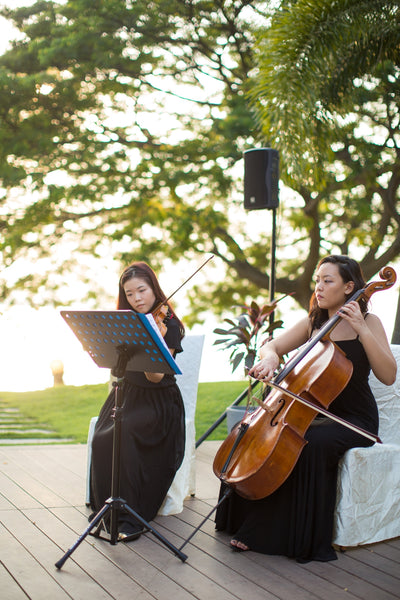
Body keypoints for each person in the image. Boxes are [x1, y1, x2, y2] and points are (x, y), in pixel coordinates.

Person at [215, 255, 397, 562]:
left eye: (328, 281)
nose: (320, 287)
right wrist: (271, 358)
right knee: (253, 438)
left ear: (349, 287)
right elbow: (271, 346)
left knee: (308, 446)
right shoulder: (314, 321)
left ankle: (273, 534)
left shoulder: (369, 323)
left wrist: (362, 331)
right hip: (313, 413)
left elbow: (388, 375)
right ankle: (238, 519)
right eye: (317, 280)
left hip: (354, 420)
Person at [90, 261, 186, 541]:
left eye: (142, 291)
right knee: (102, 437)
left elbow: (155, 377)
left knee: (127, 431)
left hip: (158, 401)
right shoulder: (125, 321)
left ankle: (131, 514)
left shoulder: (170, 325)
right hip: (127, 394)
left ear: (154, 289)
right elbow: (113, 366)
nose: (137, 298)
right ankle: (106, 509)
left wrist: (154, 338)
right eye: (130, 294)